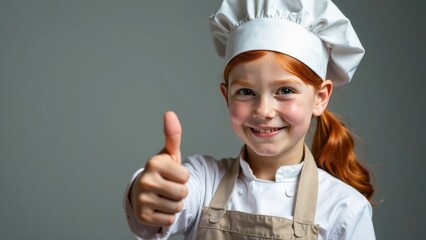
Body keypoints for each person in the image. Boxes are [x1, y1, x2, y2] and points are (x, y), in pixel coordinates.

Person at [123, 0, 376, 239]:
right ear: (226, 96)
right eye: (246, 92)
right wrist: (146, 194)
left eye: (285, 91)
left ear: (320, 98)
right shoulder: (204, 181)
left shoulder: (345, 209)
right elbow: (155, 217)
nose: (264, 111)